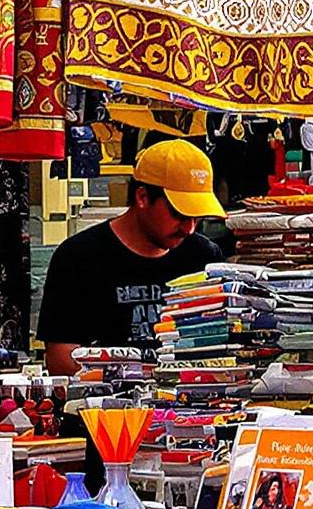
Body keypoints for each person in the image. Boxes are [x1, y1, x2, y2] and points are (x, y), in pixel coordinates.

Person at [37, 138, 223, 373]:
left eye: (198, 217)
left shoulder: (204, 257)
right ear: (142, 197)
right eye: (179, 214)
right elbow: (60, 359)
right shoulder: (79, 257)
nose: (189, 228)